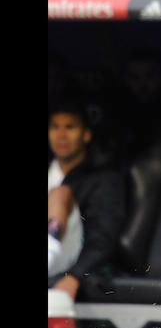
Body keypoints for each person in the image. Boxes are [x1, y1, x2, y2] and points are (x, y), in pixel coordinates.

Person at [48, 100, 127, 303]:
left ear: (86, 135)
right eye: (55, 127)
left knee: (60, 195)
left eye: (70, 127)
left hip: (70, 258)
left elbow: (103, 237)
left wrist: (75, 275)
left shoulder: (104, 180)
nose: (61, 135)